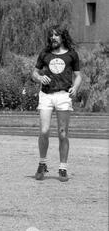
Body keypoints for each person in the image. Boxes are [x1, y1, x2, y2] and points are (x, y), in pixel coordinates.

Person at [31, 25, 82, 182]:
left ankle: (63, 168)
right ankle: (42, 164)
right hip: (46, 95)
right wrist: (39, 78)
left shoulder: (72, 55)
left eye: (56, 35)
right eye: (51, 35)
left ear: (62, 37)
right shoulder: (45, 54)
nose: (53, 38)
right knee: (44, 131)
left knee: (62, 133)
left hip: (63, 96)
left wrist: (75, 87)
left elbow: (78, 75)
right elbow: (34, 72)